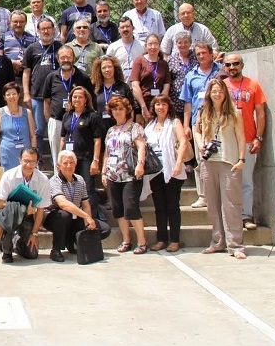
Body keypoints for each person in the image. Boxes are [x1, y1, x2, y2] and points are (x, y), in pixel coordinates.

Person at [194, 78, 248, 259]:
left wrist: (241, 159)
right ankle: (218, 241)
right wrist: (201, 144)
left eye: (220, 91)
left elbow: (241, 138)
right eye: (214, 91)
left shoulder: (234, 113)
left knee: (231, 204)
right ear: (209, 94)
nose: (217, 95)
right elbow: (197, 130)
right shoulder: (204, 112)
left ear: (225, 93)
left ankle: (236, 245)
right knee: (213, 204)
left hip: (229, 161)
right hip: (209, 162)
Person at [221, 53, 266, 231]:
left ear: (242, 65)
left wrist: (259, 137)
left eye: (235, 64)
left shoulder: (253, 85)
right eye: (228, 65)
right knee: (228, 182)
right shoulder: (221, 86)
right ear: (224, 67)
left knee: (246, 181)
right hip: (227, 141)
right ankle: (231, 219)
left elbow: (261, 113)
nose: (232, 67)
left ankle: (246, 216)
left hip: (248, 140)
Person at [103, 95, 148, 255]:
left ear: (127, 110)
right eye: (114, 109)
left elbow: (141, 147)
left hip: (130, 174)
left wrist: (140, 164)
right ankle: (126, 240)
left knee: (131, 207)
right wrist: (103, 172)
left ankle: (142, 241)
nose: (117, 111)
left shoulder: (135, 127)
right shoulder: (110, 130)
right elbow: (107, 153)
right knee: (118, 210)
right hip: (113, 174)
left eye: (120, 108)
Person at [143, 94, 189, 252]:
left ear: (168, 106)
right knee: (159, 207)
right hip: (155, 172)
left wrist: (179, 163)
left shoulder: (175, 122)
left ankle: (175, 240)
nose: (160, 107)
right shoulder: (149, 126)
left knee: (173, 206)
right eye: (157, 105)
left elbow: (183, 141)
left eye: (163, 104)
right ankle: (161, 239)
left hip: (172, 170)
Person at [180, 41, 222, 208]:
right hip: (199, 124)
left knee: (220, 159)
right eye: (198, 54)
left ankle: (219, 195)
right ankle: (203, 195)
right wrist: (186, 125)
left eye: (204, 53)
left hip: (220, 123)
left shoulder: (221, 72)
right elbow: (188, 103)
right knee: (201, 159)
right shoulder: (191, 75)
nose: (201, 56)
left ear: (211, 53)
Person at [0, 147, 51, 263]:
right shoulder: (9, 175)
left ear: (37, 163)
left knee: (32, 254)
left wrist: (34, 233)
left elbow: (40, 210)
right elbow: (0, 203)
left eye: (32, 162)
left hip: (29, 217)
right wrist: (22, 209)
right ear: (20, 160)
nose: (29, 165)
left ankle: (15, 242)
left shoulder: (43, 180)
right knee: (11, 215)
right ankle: (7, 251)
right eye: (26, 161)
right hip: (8, 215)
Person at [41, 46, 92, 171]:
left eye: (68, 57)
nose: (66, 60)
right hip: (57, 121)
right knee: (57, 157)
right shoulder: (51, 77)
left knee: (75, 157)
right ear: (58, 59)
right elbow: (47, 101)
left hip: (77, 122)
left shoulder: (83, 77)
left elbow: (90, 99)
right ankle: (59, 184)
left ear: (74, 58)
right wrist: (50, 121)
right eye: (62, 57)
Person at [58, 86, 105, 223]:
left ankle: (92, 219)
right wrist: (60, 158)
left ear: (86, 100)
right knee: (68, 187)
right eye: (74, 97)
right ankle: (73, 219)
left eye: (80, 97)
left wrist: (96, 160)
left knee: (87, 188)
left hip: (85, 158)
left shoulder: (92, 116)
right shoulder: (67, 115)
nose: (77, 99)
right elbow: (62, 138)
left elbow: (97, 140)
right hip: (68, 160)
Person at [44, 150, 98, 262]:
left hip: (75, 216)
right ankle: (56, 250)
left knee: (103, 229)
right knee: (64, 215)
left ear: (76, 164)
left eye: (71, 162)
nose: (69, 166)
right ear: (58, 166)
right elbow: (63, 204)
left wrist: (88, 224)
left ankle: (71, 242)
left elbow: (86, 204)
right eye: (65, 163)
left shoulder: (80, 179)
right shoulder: (54, 181)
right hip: (56, 216)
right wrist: (86, 216)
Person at [21, 18, 61, 163]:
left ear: (53, 29)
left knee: (56, 130)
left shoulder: (60, 47)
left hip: (56, 96)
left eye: (48, 28)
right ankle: (38, 162)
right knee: (38, 131)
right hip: (37, 95)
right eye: (43, 28)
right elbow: (26, 72)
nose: (46, 31)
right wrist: (26, 93)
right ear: (38, 31)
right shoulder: (31, 48)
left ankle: (55, 161)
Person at [0, 82, 36, 171]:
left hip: (26, 155)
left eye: (14, 94)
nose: (11, 97)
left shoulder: (27, 112)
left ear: (18, 95)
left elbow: (33, 136)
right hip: (7, 154)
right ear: (4, 97)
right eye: (8, 94)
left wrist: (34, 154)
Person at [129, 34, 171, 123]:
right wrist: (143, 107)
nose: (153, 47)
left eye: (156, 44)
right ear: (145, 46)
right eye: (150, 44)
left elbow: (166, 86)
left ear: (159, 46)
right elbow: (135, 85)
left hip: (159, 106)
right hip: (142, 104)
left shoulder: (164, 64)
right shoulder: (139, 61)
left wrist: (160, 104)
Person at [90, 55, 134, 132]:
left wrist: (128, 127)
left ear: (115, 68)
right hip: (99, 130)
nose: (107, 70)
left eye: (110, 67)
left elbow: (131, 109)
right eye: (104, 68)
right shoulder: (95, 88)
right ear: (99, 70)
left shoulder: (123, 87)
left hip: (120, 129)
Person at [166, 30, 198, 121]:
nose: (183, 45)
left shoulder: (196, 57)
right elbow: (168, 80)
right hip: (177, 102)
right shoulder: (171, 59)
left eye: (186, 42)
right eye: (180, 42)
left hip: (194, 100)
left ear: (190, 43)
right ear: (176, 44)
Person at [105, 17, 144, 81]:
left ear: (133, 28)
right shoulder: (112, 47)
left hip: (139, 84)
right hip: (120, 85)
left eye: (128, 26)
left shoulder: (142, 46)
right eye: (122, 27)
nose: (125, 29)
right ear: (118, 30)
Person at [3, 11, 35, 76]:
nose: (18, 24)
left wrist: (24, 64)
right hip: (8, 75)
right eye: (15, 21)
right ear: (10, 22)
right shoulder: (3, 37)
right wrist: (12, 62)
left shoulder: (33, 39)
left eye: (21, 22)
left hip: (28, 75)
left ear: (26, 23)